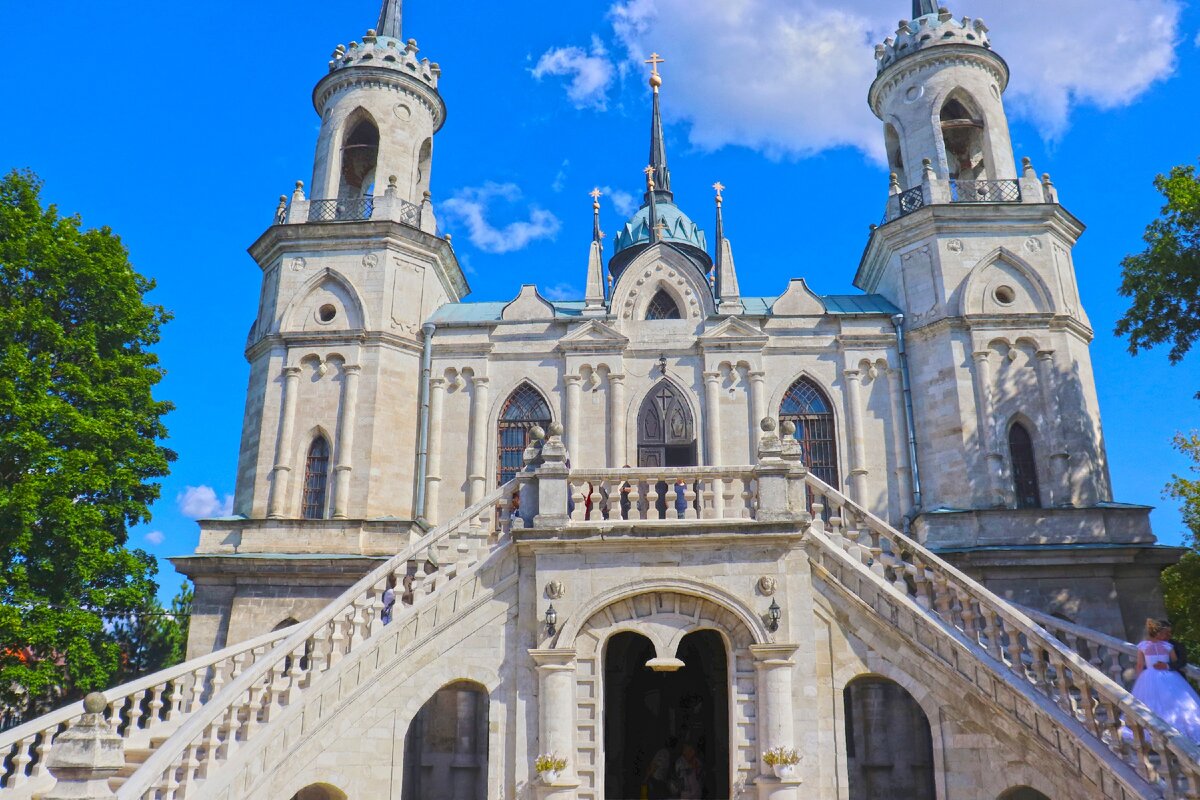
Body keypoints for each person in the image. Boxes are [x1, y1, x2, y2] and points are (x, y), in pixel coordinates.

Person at [1129, 619, 1200, 742]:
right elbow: (1173, 659)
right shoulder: (1168, 646)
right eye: (1166, 632)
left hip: (1151, 676)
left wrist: (1140, 679)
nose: (1169, 635)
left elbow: (1140, 665)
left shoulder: (1143, 646)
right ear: (1158, 633)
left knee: (1166, 704)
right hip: (1168, 678)